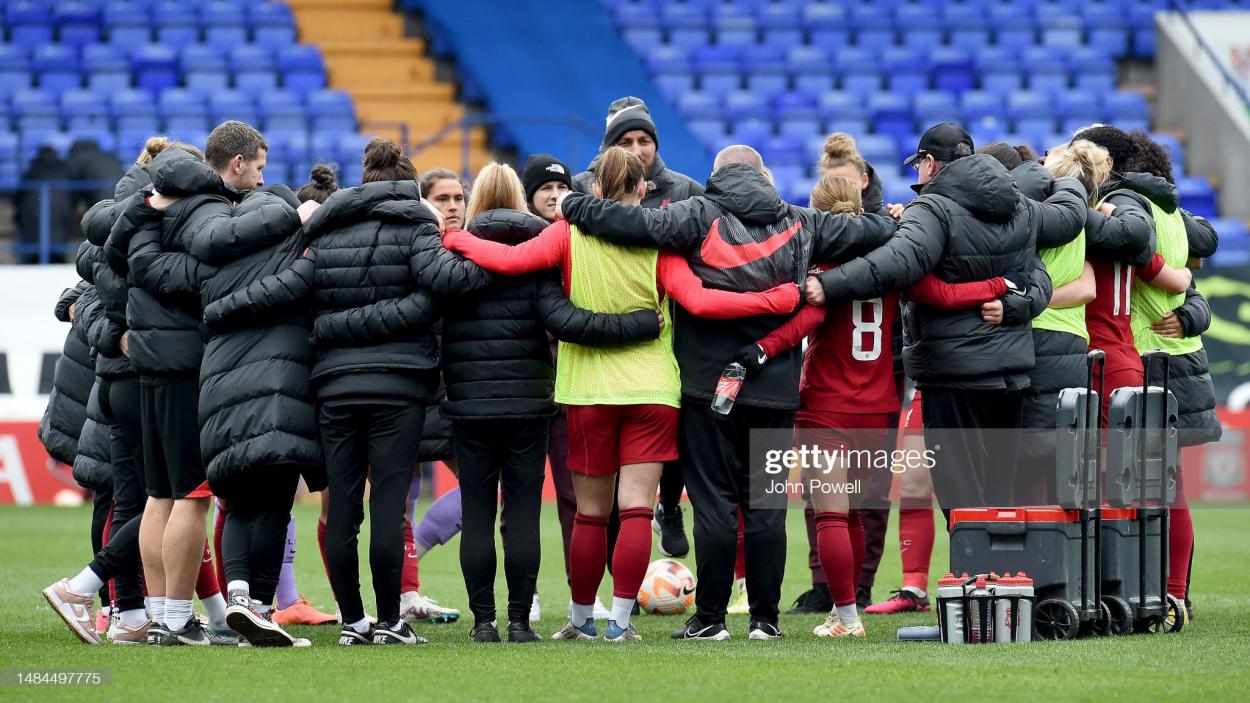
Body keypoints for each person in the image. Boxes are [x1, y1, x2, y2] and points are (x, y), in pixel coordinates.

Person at [446, 147, 804, 642]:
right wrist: (777, 298)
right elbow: (699, 300)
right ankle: (618, 622)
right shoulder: (659, 241)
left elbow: (507, 260)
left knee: (592, 513)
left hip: (588, 385)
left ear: (593, 191)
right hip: (654, 385)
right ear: (643, 190)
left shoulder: (567, 233)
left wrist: (454, 237)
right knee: (637, 507)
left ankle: (579, 621)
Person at [556, 144, 895, 640]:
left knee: (714, 506)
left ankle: (711, 619)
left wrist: (573, 204)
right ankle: (765, 620)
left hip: (706, 387)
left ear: (716, 176)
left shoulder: (696, 215)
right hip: (776, 390)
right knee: (766, 507)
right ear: (763, 176)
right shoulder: (804, 223)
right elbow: (873, 231)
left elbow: (628, 224)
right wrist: (892, 217)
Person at [749, 175, 1018, 635]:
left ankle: (847, 618)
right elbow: (944, 293)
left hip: (826, 405)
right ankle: (844, 610)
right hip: (878, 408)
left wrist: (759, 350)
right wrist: (996, 284)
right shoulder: (891, 261)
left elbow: (807, 318)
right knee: (854, 512)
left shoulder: (822, 261)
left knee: (832, 515)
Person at [806, 123, 1087, 516]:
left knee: (962, 503)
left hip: (955, 375)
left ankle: (974, 578)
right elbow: (1059, 237)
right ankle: (1002, 578)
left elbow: (900, 262)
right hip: (1012, 374)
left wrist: (830, 284)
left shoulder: (933, 207)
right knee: (1000, 501)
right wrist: (1069, 176)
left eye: (920, 163)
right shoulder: (1019, 206)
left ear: (931, 163)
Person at [434, 161, 662, 642]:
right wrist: (642, 324)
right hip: (529, 404)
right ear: (522, 198)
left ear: (472, 203)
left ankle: (483, 623)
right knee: (521, 513)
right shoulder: (542, 251)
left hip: (469, 405)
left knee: (476, 512)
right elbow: (568, 322)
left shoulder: (450, 255)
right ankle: (519, 621)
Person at [301, 138, 492, 646]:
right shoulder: (416, 224)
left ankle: (353, 622)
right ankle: (390, 621)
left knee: (342, 507)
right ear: (408, 180)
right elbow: (443, 283)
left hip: (335, 385)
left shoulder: (328, 228)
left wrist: (333, 331)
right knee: (389, 503)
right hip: (399, 385)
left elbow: (304, 297)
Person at [137, 138, 322, 647]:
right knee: (273, 504)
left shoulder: (205, 249)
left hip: (215, 384)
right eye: (258, 168)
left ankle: (213, 601)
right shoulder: (293, 250)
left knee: (235, 503)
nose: (260, 178)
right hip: (281, 388)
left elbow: (150, 270)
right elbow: (306, 282)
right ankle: (254, 606)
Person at [44, 138, 227, 646]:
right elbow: (92, 304)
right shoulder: (152, 229)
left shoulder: (117, 229)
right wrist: (124, 338)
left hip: (127, 377)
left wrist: (120, 335)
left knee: (153, 498)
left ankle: (144, 615)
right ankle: (102, 596)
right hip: (139, 378)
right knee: (164, 498)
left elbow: (83, 297)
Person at [106, 127, 268, 646]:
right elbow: (202, 274)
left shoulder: (143, 213)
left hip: (150, 367)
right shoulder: (205, 213)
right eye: (259, 166)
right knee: (193, 498)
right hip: (187, 369)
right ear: (235, 163)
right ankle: (176, 618)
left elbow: (117, 261)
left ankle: (158, 613)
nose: (261, 177)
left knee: (159, 497)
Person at [1074, 126, 1220, 617]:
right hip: (1174, 357)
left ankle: (1160, 591)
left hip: (1149, 355)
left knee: (1150, 485)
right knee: (1162, 483)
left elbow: (1161, 268)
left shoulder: (1130, 207)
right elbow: (1190, 277)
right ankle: (1172, 591)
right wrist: (1192, 310)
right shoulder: (1171, 211)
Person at [571, 96, 704, 561]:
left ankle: (670, 506)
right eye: (625, 141)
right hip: (602, 346)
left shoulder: (685, 189)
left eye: (644, 140)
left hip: (673, 335)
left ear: (655, 144)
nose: (637, 148)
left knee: (675, 437)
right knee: (609, 490)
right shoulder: (579, 190)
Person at [15, 145, 73, 263]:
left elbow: (18, 197)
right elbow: (73, 197)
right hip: (59, 217)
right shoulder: (65, 171)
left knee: (35, 253)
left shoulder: (31, 171)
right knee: (57, 251)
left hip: (33, 216)